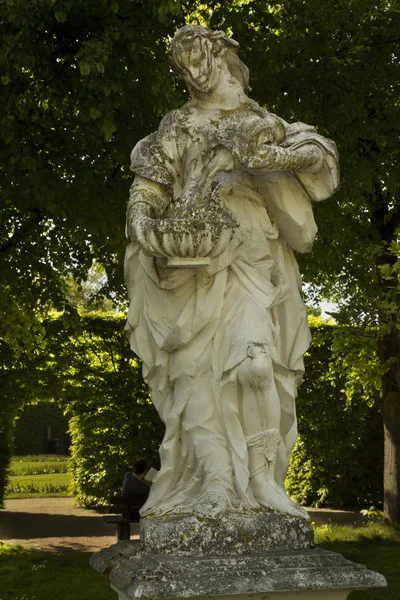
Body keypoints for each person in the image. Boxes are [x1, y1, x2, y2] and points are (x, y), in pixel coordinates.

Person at [124, 25, 339, 520]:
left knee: (256, 366)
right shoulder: (176, 128)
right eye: (184, 69)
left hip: (249, 263)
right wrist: (141, 220)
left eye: (201, 62)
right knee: (195, 382)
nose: (195, 75)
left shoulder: (259, 120)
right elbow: (149, 188)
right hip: (189, 270)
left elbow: (321, 157)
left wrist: (269, 157)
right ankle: (218, 482)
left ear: (223, 58)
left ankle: (262, 480)